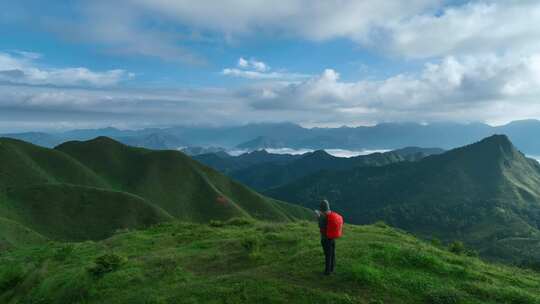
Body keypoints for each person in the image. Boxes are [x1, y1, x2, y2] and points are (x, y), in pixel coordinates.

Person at [316, 199, 335, 275]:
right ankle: (332, 268)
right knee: (332, 253)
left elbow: (320, 226)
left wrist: (318, 217)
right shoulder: (330, 214)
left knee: (327, 254)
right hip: (332, 237)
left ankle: (327, 271)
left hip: (325, 238)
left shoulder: (323, 217)